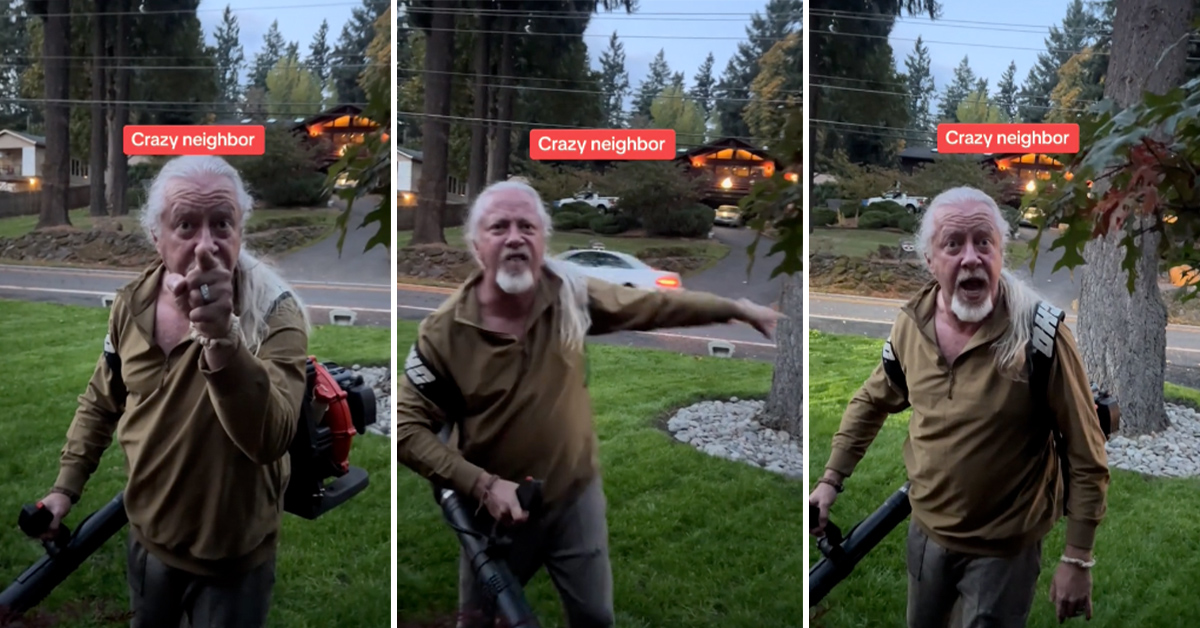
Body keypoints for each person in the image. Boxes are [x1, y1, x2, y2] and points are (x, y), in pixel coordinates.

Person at [395, 180, 784, 628]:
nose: (515, 237)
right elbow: (407, 431)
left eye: (527, 226)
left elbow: (651, 304)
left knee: (596, 618)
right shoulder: (444, 333)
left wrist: (732, 308)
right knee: (481, 621)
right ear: (476, 244)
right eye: (499, 226)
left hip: (574, 496)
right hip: (496, 512)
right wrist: (482, 485)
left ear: (543, 239)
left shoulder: (569, 293)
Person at [808, 186, 1110, 627]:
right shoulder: (912, 325)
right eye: (953, 244)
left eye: (983, 242)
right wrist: (831, 479)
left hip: (1003, 553)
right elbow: (873, 400)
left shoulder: (1040, 336)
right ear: (930, 260)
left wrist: (1078, 558)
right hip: (925, 534)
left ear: (1001, 252)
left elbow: (1088, 453)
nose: (971, 257)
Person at [38, 155, 311, 628]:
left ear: (241, 229)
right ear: (156, 237)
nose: (207, 243)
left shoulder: (273, 311)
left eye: (222, 223)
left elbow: (272, 436)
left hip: (232, 561)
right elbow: (103, 400)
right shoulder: (131, 304)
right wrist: (66, 487)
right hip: (148, 540)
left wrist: (224, 340)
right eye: (186, 225)